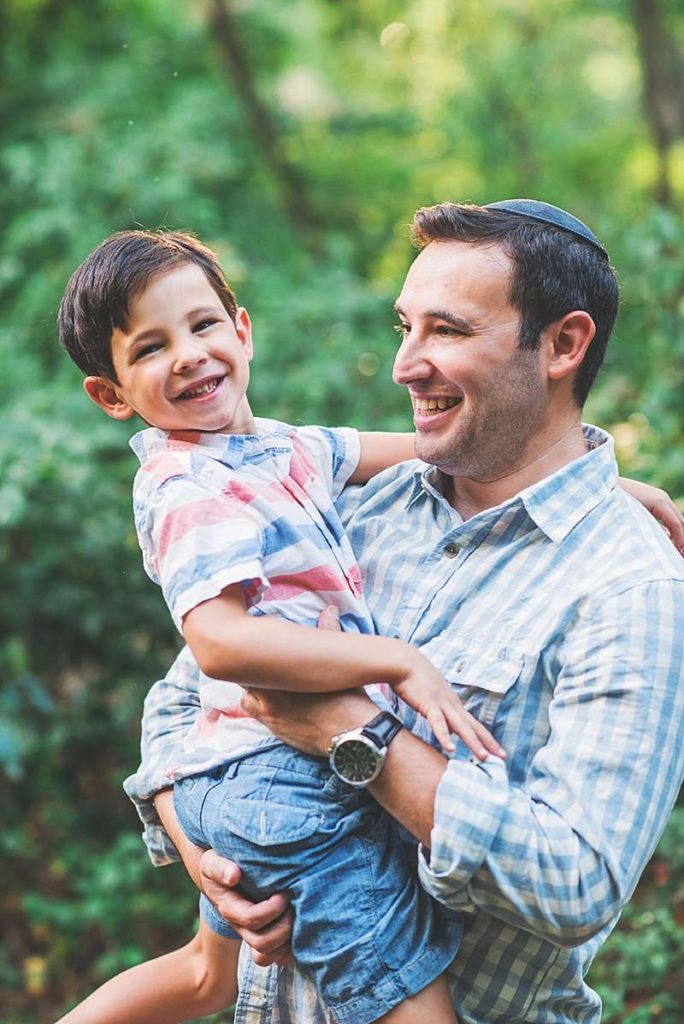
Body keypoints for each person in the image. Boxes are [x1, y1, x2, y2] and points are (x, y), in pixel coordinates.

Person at [121, 200, 684, 1024]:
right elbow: (181, 698)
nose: (404, 366)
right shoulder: (355, 508)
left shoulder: (632, 585)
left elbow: (577, 880)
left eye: (447, 331)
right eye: (404, 327)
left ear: (563, 345)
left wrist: (361, 738)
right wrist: (202, 842)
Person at [56, 228, 520, 1024]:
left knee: (210, 975)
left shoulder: (279, 448)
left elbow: (434, 452)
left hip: (232, 765)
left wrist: (602, 476)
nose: (190, 356)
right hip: (282, 778)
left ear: (241, 330)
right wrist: (395, 659)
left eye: (203, 326)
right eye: (152, 348)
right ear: (113, 393)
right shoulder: (188, 482)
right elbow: (219, 643)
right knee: (418, 1007)